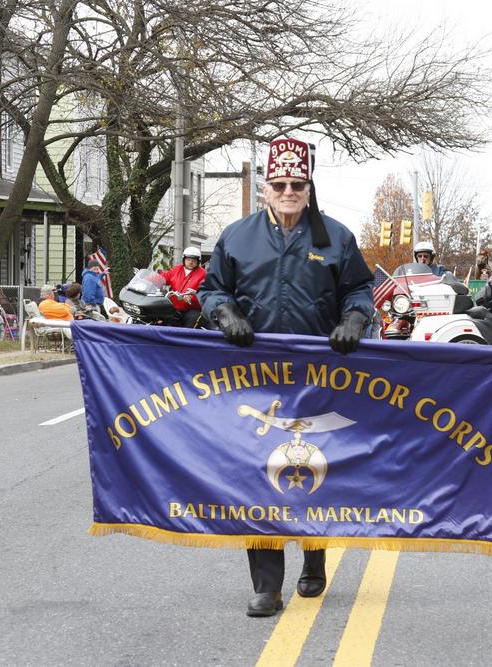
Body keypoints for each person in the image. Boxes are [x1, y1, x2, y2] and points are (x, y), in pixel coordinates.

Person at [198, 137, 374, 618]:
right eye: (280, 184)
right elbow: (212, 290)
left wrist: (355, 319)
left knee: (313, 465)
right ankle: (266, 585)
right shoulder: (237, 236)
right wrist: (224, 314)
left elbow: (359, 288)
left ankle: (314, 560)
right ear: (265, 189)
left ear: (309, 187)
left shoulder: (335, 237)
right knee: (260, 474)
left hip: (319, 374)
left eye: (298, 184)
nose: (289, 191)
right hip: (254, 376)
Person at [159, 246, 207, 328]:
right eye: (188, 259)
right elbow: (163, 278)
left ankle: (187, 340)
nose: (191, 262)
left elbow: (204, 292)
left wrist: (192, 298)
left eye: (194, 260)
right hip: (175, 307)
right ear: (184, 259)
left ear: (198, 261)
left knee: (192, 319)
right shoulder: (177, 269)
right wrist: (146, 280)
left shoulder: (203, 274)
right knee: (162, 318)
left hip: (193, 308)